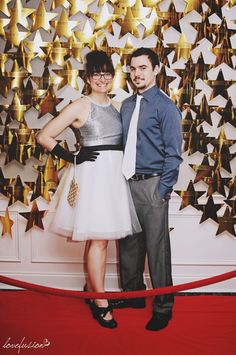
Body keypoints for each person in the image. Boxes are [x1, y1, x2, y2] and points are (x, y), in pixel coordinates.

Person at [36, 50, 141, 329]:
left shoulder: (119, 106)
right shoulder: (80, 106)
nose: (102, 79)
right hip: (93, 177)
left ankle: (92, 290)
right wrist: (71, 157)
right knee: (99, 240)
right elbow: (43, 135)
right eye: (97, 73)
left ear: (112, 75)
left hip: (115, 178)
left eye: (107, 73)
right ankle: (100, 300)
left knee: (102, 240)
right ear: (88, 77)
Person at [118, 47, 183, 331]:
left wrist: (163, 190)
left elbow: (174, 153)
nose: (137, 74)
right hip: (126, 183)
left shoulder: (166, 107)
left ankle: (163, 306)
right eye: (133, 69)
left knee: (157, 250)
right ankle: (133, 296)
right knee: (129, 245)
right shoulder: (127, 105)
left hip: (153, 184)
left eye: (143, 67)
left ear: (156, 69)